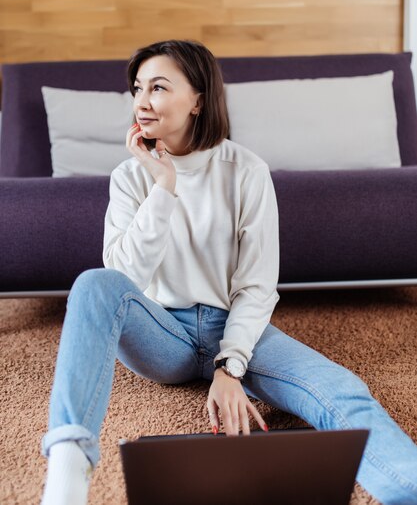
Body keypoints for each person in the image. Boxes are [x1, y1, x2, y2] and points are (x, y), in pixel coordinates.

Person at [41, 40, 417, 505]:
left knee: (341, 389)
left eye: (158, 87)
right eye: (138, 88)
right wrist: (162, 186)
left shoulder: (247, 171)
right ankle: (67, 474)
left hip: (234, 325)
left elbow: (257, 285)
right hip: (162, 332)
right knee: (94, 283)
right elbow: (124, 278)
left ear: (198, 99)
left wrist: (229, 365)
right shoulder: (129, 177)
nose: (141, 100)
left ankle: (409, 490)